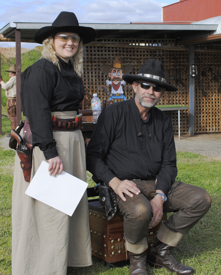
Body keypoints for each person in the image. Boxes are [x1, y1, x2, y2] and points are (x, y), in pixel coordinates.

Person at [86, 59, 211, 275]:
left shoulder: (163, 121)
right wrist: (115, 183)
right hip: (124, 185)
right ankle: (138, 260)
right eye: (145, 85)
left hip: (156, 183)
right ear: (134, 86)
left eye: (157, 88)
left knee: (201, 199)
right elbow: (93, 157)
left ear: (162, 93)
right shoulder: (113, 113)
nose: (151, 92)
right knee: (141, 210)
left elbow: (169, 164)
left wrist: (160, 195)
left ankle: (161, 251)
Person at [12, 11, 96, 275]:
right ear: (51, 40)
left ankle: (66, 260)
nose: (70, 42)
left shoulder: (68, 68)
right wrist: (51, 152)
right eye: (64, 37)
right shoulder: (42, 69)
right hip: (48, 145)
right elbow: (36, 112)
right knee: (48, 209)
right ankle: (42, 266)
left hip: (70, 142)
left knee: (66, 204)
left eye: (75, 38)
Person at [0, 64, 17, 131]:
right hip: (13, 100)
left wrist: (1, 81)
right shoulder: (15, 78)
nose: (9, 73)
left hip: (12, 101)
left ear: (12, 72)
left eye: (9, 72)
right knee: (13, 117)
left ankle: (14, 132)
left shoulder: (13, 79)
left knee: (12, 118)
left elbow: (5, 86)